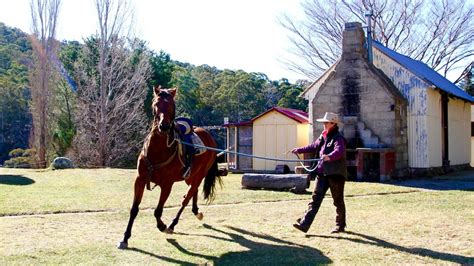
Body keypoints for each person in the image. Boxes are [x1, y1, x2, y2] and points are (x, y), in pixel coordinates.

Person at [291, 112, 347, 234]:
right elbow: (313, 146)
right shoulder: (323, 136)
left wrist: (329, 157)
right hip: (322, 173)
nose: (324, 124)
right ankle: (304, 224)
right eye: (324, 122)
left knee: (338, 201)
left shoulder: (338, 138)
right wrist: (299, 150)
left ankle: (340, 225)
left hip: (335, 174)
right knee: (315, 200)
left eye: (326, 122)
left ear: (333, 124)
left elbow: (339, 151)